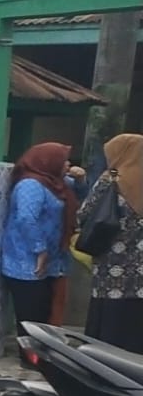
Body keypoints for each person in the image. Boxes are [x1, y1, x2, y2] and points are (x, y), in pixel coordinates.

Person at [2, 142, 81, 331]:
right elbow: (26, 219)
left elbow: (81, 195)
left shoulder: (55, 183)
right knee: (32, 320)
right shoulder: (31, 185)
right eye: (63, 160)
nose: (68, 164)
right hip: (28, 263)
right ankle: (30, 351)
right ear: (48, 162)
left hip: (52, 262)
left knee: (45, 318)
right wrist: (40, 250)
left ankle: (42, 349)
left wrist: (81, 180)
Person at [80, 133, 143, 353]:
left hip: (111, 265)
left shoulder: (112, 179)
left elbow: (85, 214)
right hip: (140, 274)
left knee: (108, 323)